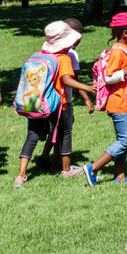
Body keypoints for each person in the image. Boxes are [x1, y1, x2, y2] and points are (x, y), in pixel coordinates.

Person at [16, 21, 95, 186]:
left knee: (32, 136)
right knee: (65, 134)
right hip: (59, 105)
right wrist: (87, 88)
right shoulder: (64, 58)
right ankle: (66, 170)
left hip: (38, 103)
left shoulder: (41, 55)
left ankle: (21, 175)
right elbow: (67, 80)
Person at [84, 12, 127, 186]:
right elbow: (108, 77)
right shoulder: (117, 52)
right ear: (125, 33)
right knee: (125, 140)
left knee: (123, 140)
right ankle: (94, 168)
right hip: (119, 102)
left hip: (126, 102)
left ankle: (119, 175)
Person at [39, 16, 89, 175]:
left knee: (55, 131)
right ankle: (65, 168)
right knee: (65, 132)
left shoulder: (47, 52)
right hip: (63, 101)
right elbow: (72, 78)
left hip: (49, 100)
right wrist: (87, 96)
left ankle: (48, 158)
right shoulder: (70, 56)